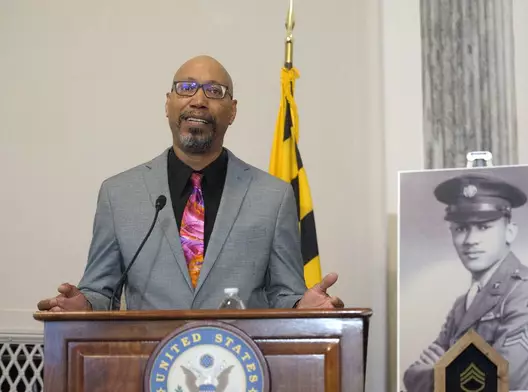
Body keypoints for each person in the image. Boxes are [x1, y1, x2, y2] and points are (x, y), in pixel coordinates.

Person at [37, 55, 344, 312]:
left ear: (233, 110)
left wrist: (301, 306)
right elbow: (102, 291)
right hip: (148, 366)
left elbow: (284, 294)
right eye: (185, 89)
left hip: (240, 366)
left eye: (214, 91)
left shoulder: (273, 197)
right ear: (168, 104)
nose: (198, 100)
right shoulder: (118, 194)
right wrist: (85, 306)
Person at [403, 174, 528, 391]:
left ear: (510, 232)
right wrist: (440, 375)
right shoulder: (463, 304)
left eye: (484, 227)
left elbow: (500, 382)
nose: (470, 240)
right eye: (461, 229)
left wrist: (435, 372)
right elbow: (410, 375)